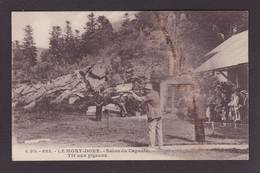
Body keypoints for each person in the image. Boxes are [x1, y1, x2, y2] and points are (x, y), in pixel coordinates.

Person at [130, 82, 163, 148]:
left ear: (148, 89)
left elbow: (139, 99)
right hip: (159, 114)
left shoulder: (149, 95)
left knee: (151, 131)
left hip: (153, 115)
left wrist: (132, 94)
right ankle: (160, 145)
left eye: (146, 89)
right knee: (159, 130)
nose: (145, 90)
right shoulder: (156, 93)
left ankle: (151, 146)